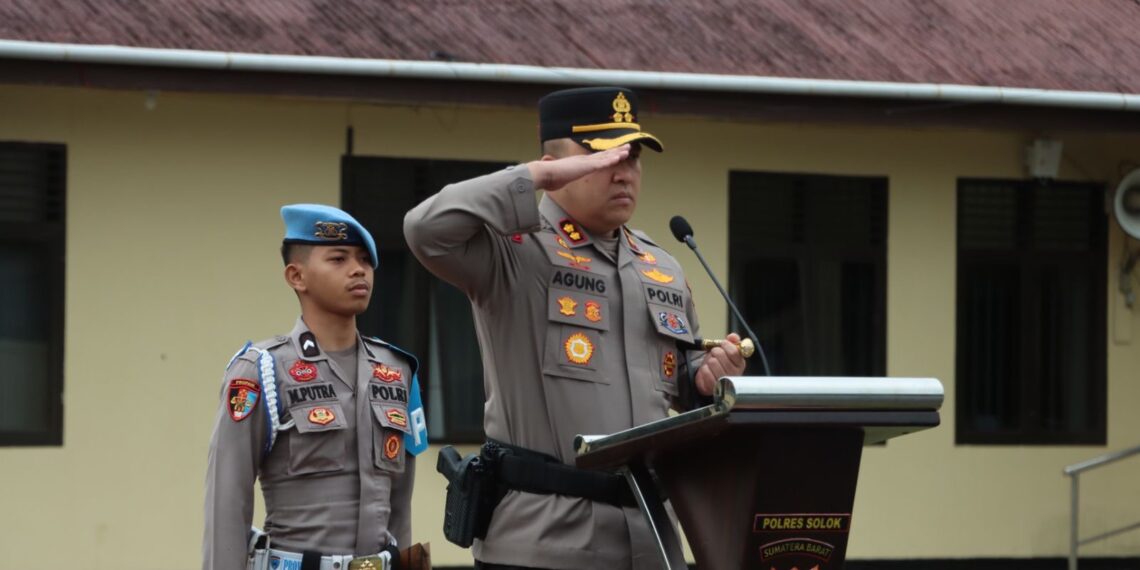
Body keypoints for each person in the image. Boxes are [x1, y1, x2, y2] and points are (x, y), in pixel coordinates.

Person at [403, 86, 746, 570]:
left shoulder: (662, 265)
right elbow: (424, 229)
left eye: (635, 158)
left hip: (649, 540)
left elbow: (677, 382)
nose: (624, 171)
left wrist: (707, 378)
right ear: (555, 164)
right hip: (543, 540)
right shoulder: (514, 250)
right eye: (606, 156)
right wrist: (535, 178)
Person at [204, 204, 429, 570]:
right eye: (338, 259)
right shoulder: (261, 370)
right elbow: (226, 503)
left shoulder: (397, 370)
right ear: (297, 276)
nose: (359, 270)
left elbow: (400, 506)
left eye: (364, 260)